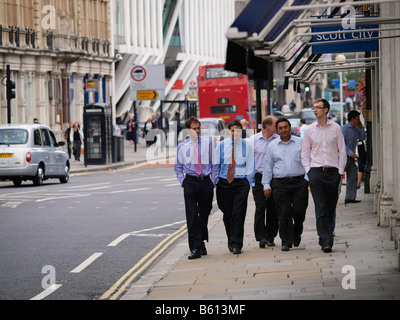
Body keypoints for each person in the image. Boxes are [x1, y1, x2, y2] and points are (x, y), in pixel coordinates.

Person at [301, 99, 347, 253]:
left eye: (318, 108)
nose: (315, 110)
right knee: (321, 207)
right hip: (316, 173)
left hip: (333, 173)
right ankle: (326, 241)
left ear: (326, 110)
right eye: (314, 108)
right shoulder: (309, 130)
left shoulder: (335, 128)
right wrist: (309, 172)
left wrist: (340, 173)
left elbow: (342, 151)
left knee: (330, 207)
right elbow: (305, 153)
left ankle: (326, 236)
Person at [174, 117, 218, 260]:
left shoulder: (208, 143)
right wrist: (183, 182)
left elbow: (214, 164)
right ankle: (195, 248)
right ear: (188, 130)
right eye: (194, 129)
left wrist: (212, 182)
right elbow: (178, 167)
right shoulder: (182, 146)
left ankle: (201, 242)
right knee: (192, 216)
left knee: (204, 215)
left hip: (205, 182)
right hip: (190, 182)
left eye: (199, 128)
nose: (198, 131)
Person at [263, 118, 309, 251]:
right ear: (277, 130)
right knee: (283, 213)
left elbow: (307, 160)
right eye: (281, 128)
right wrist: (266, 184)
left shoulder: (300, 142)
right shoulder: (272, 146)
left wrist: (307, 178)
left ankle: (297, 230)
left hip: (299, 182)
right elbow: (268, 166)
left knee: (299, 211)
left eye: (286, 127)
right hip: (280, 183)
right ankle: (286, 240)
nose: (283, 130)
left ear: (290, 128)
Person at [216, 120, 255, 254]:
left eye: (238, 130)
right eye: (233, 130)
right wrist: (216, 181)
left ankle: (237, 244)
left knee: (238, 213)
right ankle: (230, 239)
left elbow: (251, 165)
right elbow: (216, 165)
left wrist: (247, 181)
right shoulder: (221, 145)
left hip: (241, 183)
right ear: (228, 131)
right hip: (224, 183)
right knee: (228, 214)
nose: (235, 133)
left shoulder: (247, 146)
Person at [248, 116, 279, 248]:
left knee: (273, 208)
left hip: (274, 178)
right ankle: (261, 236)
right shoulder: (253, 140)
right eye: (275, 125)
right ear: (267, 126)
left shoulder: (278, 140)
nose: (277, 128)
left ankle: (271, 237)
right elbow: (248, 160)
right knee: (260, 207)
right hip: (259, 177)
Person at [341, 110, 366, 204]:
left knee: (353, 177)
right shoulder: (344, 128)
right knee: (338, 178)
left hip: (351, 158)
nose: (359, 120)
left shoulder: (356, 128)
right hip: (343, 157)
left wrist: (361, 127)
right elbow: (341, 143)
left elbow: (362, 137)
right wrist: (350, 152)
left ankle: (350, 197)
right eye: (357, 118)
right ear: (352, 119)